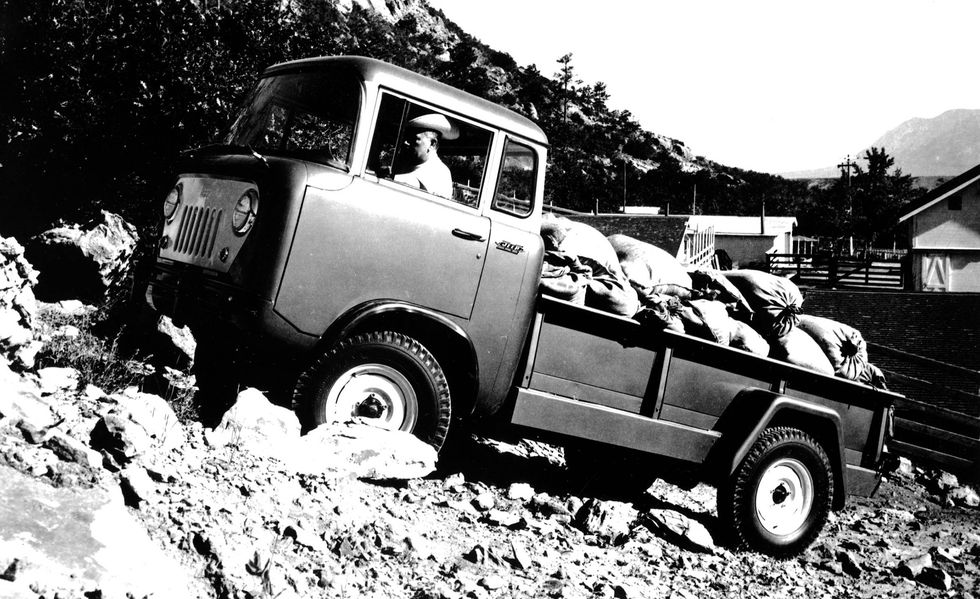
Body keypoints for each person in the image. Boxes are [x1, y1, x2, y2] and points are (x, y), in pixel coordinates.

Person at [393, 113, 457, 199]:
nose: (406, 142)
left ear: (432, 144)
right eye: (407, 138)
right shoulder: (407, 162)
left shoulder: (441, 174)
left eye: (414, 139)